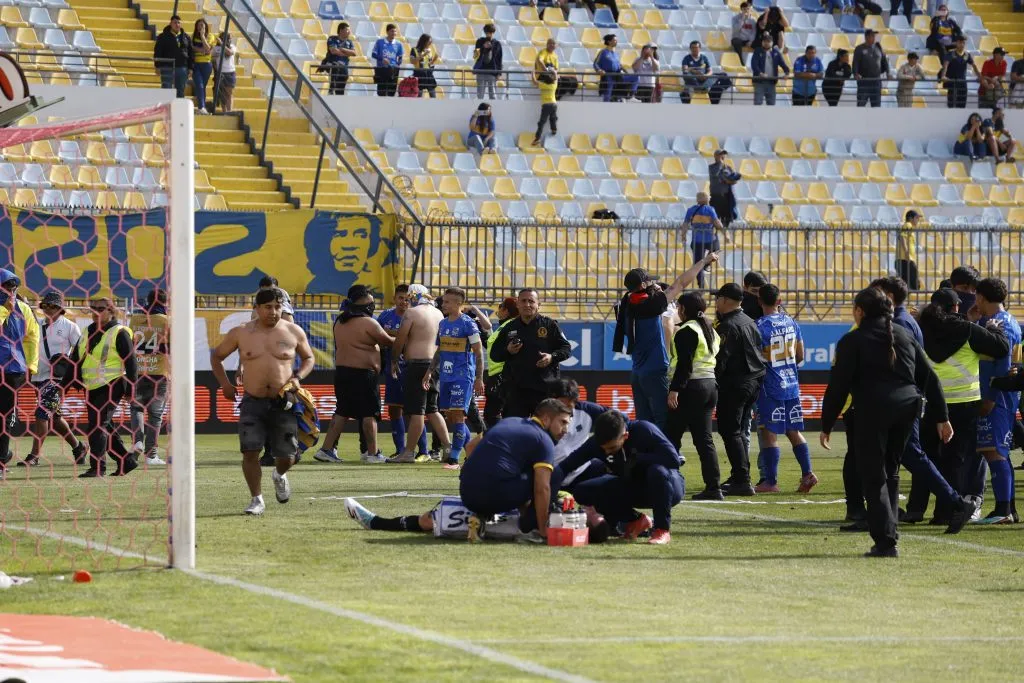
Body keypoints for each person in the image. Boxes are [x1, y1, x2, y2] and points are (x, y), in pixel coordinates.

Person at [820, 287, 954, 558]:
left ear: (860, 311)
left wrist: (827, 423)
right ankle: (890, 532)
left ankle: (885, 541)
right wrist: (942, 417)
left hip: (873, 411)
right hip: (908, 408)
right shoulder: (903, 334)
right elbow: (929, 377)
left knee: (873, 475)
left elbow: (838, 387)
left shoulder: (853, 340)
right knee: (890, 471)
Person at [211, 287, 315, 515]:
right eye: (268, 307)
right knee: (250, 451)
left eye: (278, 307)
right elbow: (217, 356)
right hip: (253, 401)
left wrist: (297, 377)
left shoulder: (293, 331)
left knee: (287, 457)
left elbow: (309, 357)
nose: (273, 312)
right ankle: (256, 499)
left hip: (283, 401)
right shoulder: (241, 332)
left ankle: (279, 474)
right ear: (256, 308)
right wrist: (225, 384)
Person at [914, 288, 1008, 525]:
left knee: (926, 458)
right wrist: (994, 328)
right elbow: (1001, 347)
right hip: (964, 403)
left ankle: (916, 508)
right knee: (955, 460)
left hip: (932, 403)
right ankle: (946, 512)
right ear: (956, 307)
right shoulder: (967, 329)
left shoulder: (922, 329)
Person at [613, 254, 719, 432]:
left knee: (644, 421)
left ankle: (647, 449)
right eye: (650, 281)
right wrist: (703, 261)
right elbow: (680, 283)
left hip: (637, 371)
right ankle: (664, 449)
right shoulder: (652, 305)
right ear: (643, 285)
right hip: (655, 370)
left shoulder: (626, 304)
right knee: (664, 420)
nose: (654, 284)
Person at [556, 411, 684, 545]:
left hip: (668, 487)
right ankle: (636, 520)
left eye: (612, 447)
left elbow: (673, 460)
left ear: (625, 436)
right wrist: (548, 488)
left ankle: (661, 529)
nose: (607, 452)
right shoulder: (596, 443)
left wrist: (637, 458)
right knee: (583, 491)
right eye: (603, 449)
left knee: (657, 471)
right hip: (633, 486)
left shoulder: (644, 430)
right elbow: (566, 466)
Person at [459, 399, 572, 542]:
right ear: (546, 419)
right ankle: (532, 529)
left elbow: (470, 446)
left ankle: (481, 516)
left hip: (467, 494)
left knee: (514, 471)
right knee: (555, 473)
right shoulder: (543, 440)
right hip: (495, 494)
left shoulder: (508, 421)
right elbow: (542, 488)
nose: (566, 430)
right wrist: (543, 530)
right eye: (563, 422)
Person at [316, 286, 395, 463]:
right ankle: (373, 453)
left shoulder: (340, 321)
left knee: (342, 412)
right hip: (363, 375)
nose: (373, 306)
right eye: (370, 303)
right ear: (363, 304)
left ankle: (326, 450)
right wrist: (405, 337)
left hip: (343, 373)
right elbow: (388, 341)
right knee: (369, 413)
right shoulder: (368, 323)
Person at [752, 285, 816, 494]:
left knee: (769, 433)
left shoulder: (758, 327)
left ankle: (770, 482)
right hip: (791, 385)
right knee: (793, 431)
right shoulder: (792, 322)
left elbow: (754, 360)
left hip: (770, 386)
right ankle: (808, 473)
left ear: (759, 301)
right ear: (779, 301)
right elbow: (800, 355)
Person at [969, 278, 1022, 524]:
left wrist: (989, 398)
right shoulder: (1006, 320)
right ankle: (1009, 508)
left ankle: (1003, 510)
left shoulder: (1000, 324)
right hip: (1001, 395)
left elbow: (1002, 367)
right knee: (999, 452)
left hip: (998, 397)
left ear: (981, 297)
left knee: (994, 452)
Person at [69, 298, 138, 478]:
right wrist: (65, 384)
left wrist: (131, 390)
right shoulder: (87, 331)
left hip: (113, 383)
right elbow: (75, 359)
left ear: (111, 311)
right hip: (92, 385)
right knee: (105, 427)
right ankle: (126, 461)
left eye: (101, 309)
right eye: (93, 308)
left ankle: (98, 467)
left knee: (97, 426)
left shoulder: (119, 332)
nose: (96, 312)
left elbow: (131, 362)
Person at [18, 291, 85, 468]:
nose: (48, 309)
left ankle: (34, 456)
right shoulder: (38, 324)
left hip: (57, 378)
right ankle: (78, 447)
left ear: (60, 308)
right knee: (54, 417)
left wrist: (71, 369)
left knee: (41, 414)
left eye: (53, 306)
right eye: (45, 305)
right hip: (38, 375)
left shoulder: (70, 327)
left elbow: (81, 351)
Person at [713, 283, 766, 498]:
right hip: (754, 381)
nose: (716, 302)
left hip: (736, 384)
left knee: (730, 431)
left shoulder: (727, 326)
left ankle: (742, 479)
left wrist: (712, 381)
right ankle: (740, 476)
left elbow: (720, 360)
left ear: (725, 300)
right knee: (739, 431)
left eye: (718, 298)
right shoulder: (748, 321)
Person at [666, 292, 721, 498]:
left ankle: (669, 483)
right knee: (705, 440)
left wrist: (675, 390)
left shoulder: (687, 330)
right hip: (709, 385)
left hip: (691, 387)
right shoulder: (710, 329)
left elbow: (684, 365)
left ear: (683, 309)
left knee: (671, 436)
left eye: (678, 307)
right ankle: (713, 487)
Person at [489, 289, 571, 419]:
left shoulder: (549, 325)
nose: (527, 304)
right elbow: (494, 354)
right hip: (516, 390)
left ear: (538, 305)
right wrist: (508, 351)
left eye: (531, 301)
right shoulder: (509, 327)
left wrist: (551, 357)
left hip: (544, 389)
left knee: (544, 427)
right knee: (514, 426)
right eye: (523, 301)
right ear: (518, 304)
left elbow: (566, 348)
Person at [389, 285, 448, 463]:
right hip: (433, 365)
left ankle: (408, 452)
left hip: (416, 365)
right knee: (432, 409)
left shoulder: (412, 313)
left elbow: (400, 339)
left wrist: (394, 360)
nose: (407, 301)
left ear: (413, 296)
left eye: (409, 298)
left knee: (417, 411)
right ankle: (448, 447)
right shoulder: (438, 313)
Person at [430, 287, 484, 469]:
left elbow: (479, 353)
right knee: (452, 417)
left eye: (447, 302)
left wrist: (479, 378)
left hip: (463, 376)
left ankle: (453, 459)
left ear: (458, 303)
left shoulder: (468, 324)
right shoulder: (443, 324)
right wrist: (429, 372)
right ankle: (472, 451)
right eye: (443, 301)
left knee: (459, 416)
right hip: (446, 376)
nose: (443, 304)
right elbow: (440, 350)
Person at [0, 270, 39, 472]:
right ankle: (3, 454)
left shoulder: (23, 309)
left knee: (5, 415)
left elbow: (32, 337)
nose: (10, 291)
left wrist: (31, 365)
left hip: (13, 370)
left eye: (13, 287)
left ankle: (1, 459)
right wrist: (4, 310)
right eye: (6, 287)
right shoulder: (6, 308)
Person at [128, 288, 169, 466]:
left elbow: (129, 344)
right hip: (159, 372)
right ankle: (151, 455)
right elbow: (171, 347)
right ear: (164, 302)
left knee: (136, 408)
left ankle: (138, 441)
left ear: (148, 300)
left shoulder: (135, 319)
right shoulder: (167, 321)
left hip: (137, 370)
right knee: (155, 415)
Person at [683, 192, 731, 288]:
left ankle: (701, 286)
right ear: (706, 199)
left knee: (698, 264)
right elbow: (717, 223)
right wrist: (725, 234)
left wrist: (683, 235)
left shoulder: (691, 210)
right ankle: (706, 264)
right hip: (710, 240)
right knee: (716, 249)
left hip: (697, 241)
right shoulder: (710, 210)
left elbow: (685, 224)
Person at [484, 297, 517, 428]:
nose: (498, 310)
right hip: (496, 374)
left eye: (500, 306)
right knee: (492, 414)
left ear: (506, 310)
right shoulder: (503, 326)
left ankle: (500, 437)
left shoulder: (510, 326)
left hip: (502, 375)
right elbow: (492, 346)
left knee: (493, 414)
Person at [153, 15, 191, 98]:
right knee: (166, 89)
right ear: (170, 24)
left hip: (182, 67)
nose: (177, 24)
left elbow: (191, 53)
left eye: (179, 23)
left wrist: (191, 68)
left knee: (180, 90)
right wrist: (157, 66)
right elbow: (158, 51)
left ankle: (179, 106)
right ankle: (166, 106)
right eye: (175, 23)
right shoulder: (163, 36)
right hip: (167, 67)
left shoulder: (186, 37)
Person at [532, 39, 559, 147]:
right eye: (550, 43)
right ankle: (554, 129)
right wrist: (551, 73)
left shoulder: (543, 85)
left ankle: (537, 138)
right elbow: (540, 60)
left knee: (542, 122)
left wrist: (532, 74)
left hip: (546, 105)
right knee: (553, 117)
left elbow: (535, 82)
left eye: (553, 44)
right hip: (554, 104)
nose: (552, 45)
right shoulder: (554, 85)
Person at [852, 29, 889, 108]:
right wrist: (855, 73)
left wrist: (888, 73)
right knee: (861, 104)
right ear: (866, 37)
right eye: (872, 36)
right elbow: (855, 62)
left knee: (876, 105)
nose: (874, 38)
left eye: (874, 36)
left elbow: (884, 61)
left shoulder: (878, 47)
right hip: (864, 80)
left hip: (876, 80)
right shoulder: (859, 48)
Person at [594, 34, 636, 103]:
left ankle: (631, 96)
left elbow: (619, 66)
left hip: (617, 75)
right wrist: (599, 70)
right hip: (608, 75)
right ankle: (606, 104)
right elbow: (595, 63)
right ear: (609, 41)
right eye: (615, 40)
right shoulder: (603, 52)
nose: (616, 41)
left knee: (635, 77)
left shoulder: (615, 54)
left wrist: (625, 72)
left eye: (616, 40)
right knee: (608, 92)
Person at [750, 33, 789, 106]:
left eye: (768, 41)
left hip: (771, 82)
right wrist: (760, 73)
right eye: (764, 41)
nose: (766, 43)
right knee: (757, 104)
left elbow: (784, 66)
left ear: (772, 43)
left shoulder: (776, 53)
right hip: (759, 82)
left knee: (771, 104)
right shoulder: (757, 51)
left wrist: (786, 73)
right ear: (762, 42)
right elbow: (754, 65)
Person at [940, 36, 979, 109]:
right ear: (956, 43)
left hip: (962, 81)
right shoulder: (951, 53)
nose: (962, 45)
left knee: (962, 103)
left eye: (963, 43)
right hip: (952, 81)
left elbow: (974, 65)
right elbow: (946, 64)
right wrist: (943, 76)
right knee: (951, 103)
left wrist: (979, 77)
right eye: (960, 43)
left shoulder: (967, 55)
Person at [708, 150, 742, 231]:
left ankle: (724, 234)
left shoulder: (728, 167)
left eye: (723, 155)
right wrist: (726, 179)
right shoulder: (711, 167)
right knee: (715, 219)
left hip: (726, 197)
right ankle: (715, 235)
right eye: (720, 155)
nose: (722, 156)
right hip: (716, 197)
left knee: (726, 221)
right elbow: (716, 175)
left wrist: (728, 180)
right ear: (715, 156)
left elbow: (734, 180)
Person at [324, 22, 356, 95]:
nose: (349, 32)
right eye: (347, 30)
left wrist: (343, 49)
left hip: (344, 67)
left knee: (340, 91)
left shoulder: (349, 42)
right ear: (341, 30)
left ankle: (338, 96)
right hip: (333, 65)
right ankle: (331, 89)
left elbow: (354, 53)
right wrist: (346, 54)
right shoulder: (332, 38)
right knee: (335, 66)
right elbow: (333, 51)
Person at [371, 24, 402, 97]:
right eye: (392, 31)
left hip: (393, 70)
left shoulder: (398, 44)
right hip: (382, 69)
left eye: (395, 31)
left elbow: (400, 57)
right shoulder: (379, 42)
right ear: (387, 32)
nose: (394, 33)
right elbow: (373, 54)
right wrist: (382, 59)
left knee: (391, 93)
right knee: (381, 93)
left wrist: (397, 64)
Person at [473, 24, 503, 100]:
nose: (489, 34)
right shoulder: (479, 41)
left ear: (493, 32)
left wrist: (499, 73)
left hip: (492, 71)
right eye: (487, 33)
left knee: (493, 95)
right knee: (480, 95)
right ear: (485, 32)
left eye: (491, 32)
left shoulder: (497, 44)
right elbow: (475, 56)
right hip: (481, 70)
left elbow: (499, 59)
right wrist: (483, 47)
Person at [191, 18, 215, 114]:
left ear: (206, 27)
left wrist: (202, 36)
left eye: (202, 25)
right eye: (198, 25)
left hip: (206, 65)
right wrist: (200, 50)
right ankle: (201, 107)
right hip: (195, 64)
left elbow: (208, 49)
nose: (200, 27)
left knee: (202, 86)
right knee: (199, 85)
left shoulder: (210, 36)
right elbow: (191, 48)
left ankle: (202, 107)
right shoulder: (193, 37)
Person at [211, 30, 236, 111]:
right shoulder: (216, 48)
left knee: (229, 93)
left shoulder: (232, 46)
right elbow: (211, 58)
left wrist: (222, 44)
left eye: (229, 38)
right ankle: (224, 111)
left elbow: (230, 53)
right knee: (222, 94)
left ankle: (229, 111)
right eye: (227, 38)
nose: (229, 40)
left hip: (230, 72)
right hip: (220, 73)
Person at [896, 210, 921, 290]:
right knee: (913, 282)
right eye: (916, 218)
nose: (918, 220)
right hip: (905, 259)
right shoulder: (908, 225)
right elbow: (902, 237)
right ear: (910, 218)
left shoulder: (910, 227)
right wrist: (906, 252)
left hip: (906, 259)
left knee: (907, 282)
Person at [410, 34, 439, 99]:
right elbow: (412, 61)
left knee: (433, 94)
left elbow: (429, 64)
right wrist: (423, 55)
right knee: (419, 95)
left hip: (428, 74)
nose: (430, 43)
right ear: (424, 41)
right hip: (419, 73)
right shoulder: (414, 49)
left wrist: (434, 60)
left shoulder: (430, 50)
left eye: (431, 41)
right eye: (429, 41)